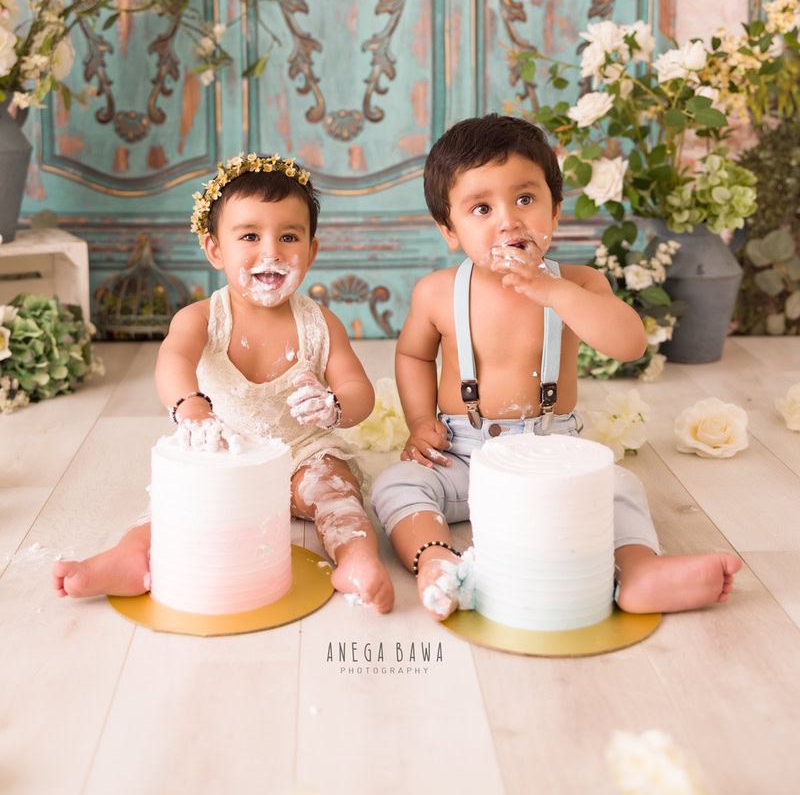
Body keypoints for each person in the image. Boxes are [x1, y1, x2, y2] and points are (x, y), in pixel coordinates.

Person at [370, 115, 741, 621]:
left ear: (556, 210)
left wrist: (552, 291)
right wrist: (419, 422)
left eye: (525, 199)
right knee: (396, 484)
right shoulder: (436, 293)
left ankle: (638, 570)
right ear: (450, 231)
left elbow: (630, 343)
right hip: (462, 452)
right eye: (482, 208)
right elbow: (413, 355)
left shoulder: (580, 285)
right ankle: (435, 559)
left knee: (618, 487)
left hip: (550, 449)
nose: (508, 220)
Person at [53, 153, 394, 613]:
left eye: (289, 236)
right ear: (215, 249)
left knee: (337, 496)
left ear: (312, 250)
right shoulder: (202, 319)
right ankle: (131, 555)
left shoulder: (321, 324)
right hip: (225, 447)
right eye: (250, 236)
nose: (271, 251)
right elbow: (172, 359)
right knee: (180, 504)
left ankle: (358, 560)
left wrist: (334, 406)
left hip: (303, 454)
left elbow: (360, 391)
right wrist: (190, 405)